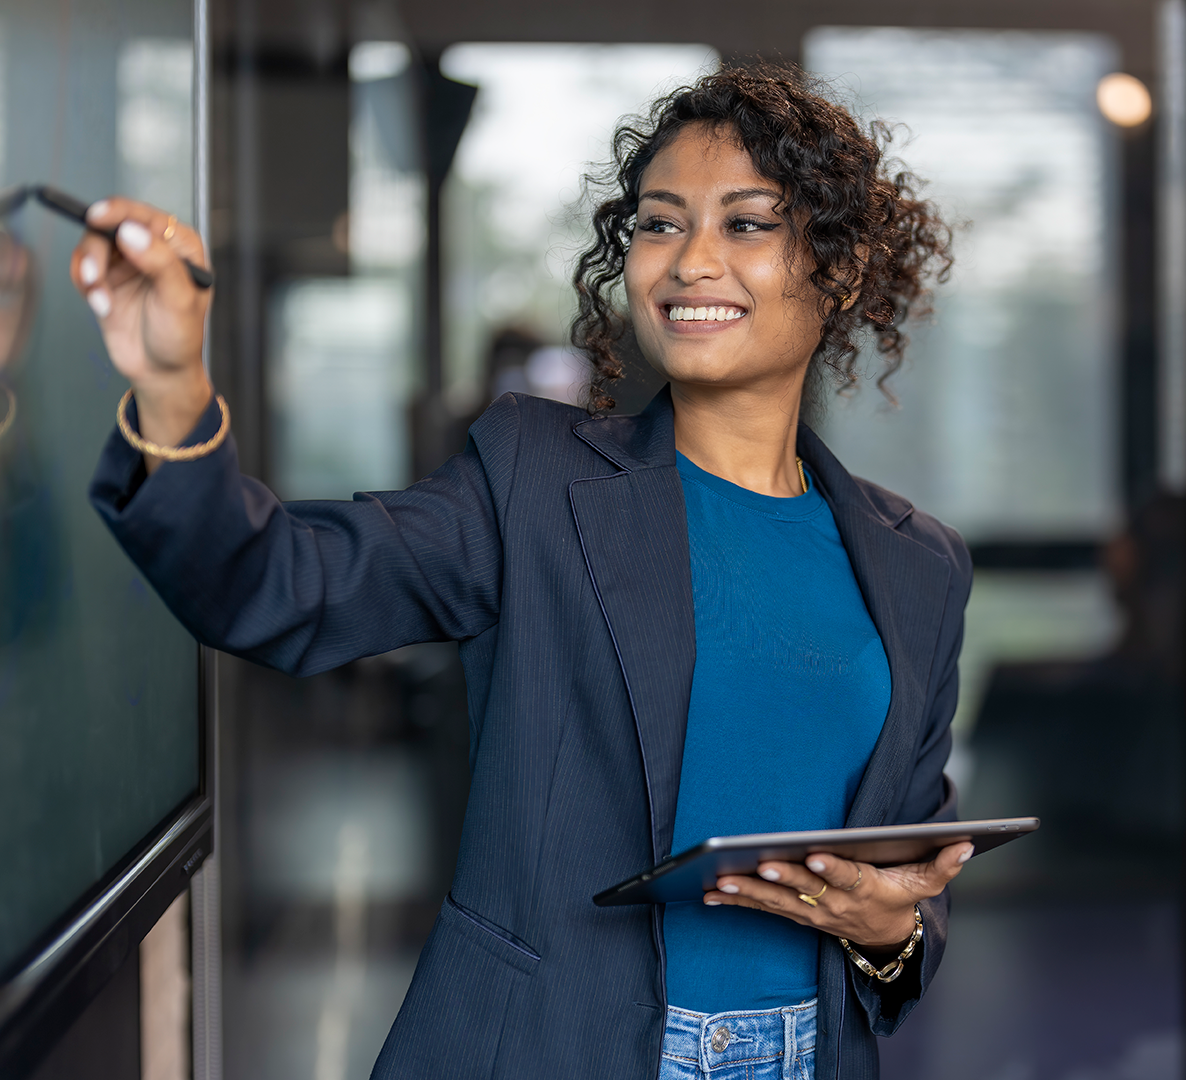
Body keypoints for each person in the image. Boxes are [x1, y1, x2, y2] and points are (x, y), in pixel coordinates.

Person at [71, 65, 968, 1080]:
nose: (689, 262)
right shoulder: (533, 482)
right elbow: (274, 583)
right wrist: (175, 391)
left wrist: (887, 931)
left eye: (748, 225)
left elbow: (915, 878)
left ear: (839, 270)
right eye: (661, 224)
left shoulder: (917, 565)